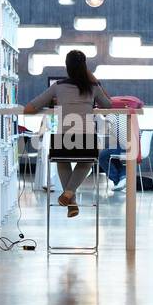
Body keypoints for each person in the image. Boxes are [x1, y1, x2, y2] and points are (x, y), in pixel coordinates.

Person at [22, 50, 113, 217]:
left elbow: (29, 108)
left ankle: (71, 199)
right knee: (87, 161)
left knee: (61, 161)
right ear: (85, 67)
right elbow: (109, 105)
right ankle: (69, 194)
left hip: (63, 140)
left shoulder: (58, 86)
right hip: (87, 140)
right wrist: (93, 79)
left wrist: (54, 103)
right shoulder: (92, 87)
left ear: (67, 67)